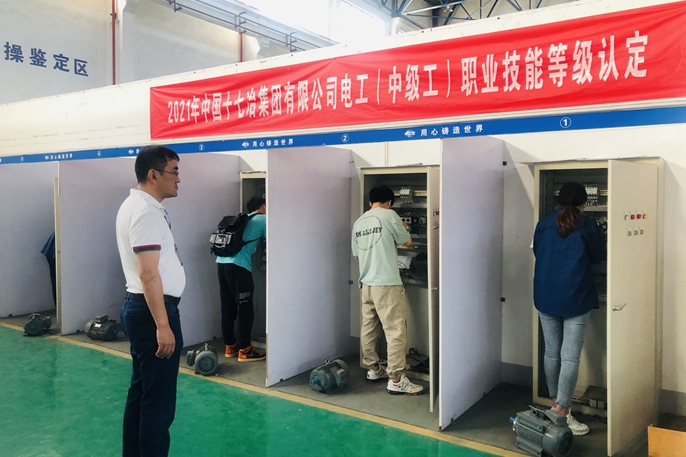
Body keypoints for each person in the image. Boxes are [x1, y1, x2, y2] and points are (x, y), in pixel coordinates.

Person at [115, 145, 185, 457]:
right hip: (152, 312)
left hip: (144, 309)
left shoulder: (140, 207)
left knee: (142, 392)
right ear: (153, 175)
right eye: (174, 172)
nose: (178, 179)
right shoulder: (144, 212)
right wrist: (163, 325)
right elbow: (148, 273)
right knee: (158, 403)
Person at [533, 181, 606, 436]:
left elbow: (538, 252)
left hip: (546, 294)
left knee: (552, 352)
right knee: (570, 357)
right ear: (583, 202)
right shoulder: (587, 225)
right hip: (575, 296)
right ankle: (562, 412)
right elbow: (598, 256)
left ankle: (555, 404)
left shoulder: (543, 224)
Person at [351, 186, 424, 396]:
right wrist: (403, 227)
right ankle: (396, 379)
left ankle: (373, 369)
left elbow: (357, 255)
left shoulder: (359, 222)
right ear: (389, 202)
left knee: (368, 328)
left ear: (370, 202)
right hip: (386, 284)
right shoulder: (390, 216)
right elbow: (407, 241)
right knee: (395, 331)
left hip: (366, 284)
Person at [216, 196, 267, 361]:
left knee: (228, 306)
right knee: (245, 308)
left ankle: (230, 346)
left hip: (222, 263)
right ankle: (245, 349)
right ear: (263, 206)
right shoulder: (263, 219)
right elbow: (274, 242)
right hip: (239, 267)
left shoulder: (243, 219)